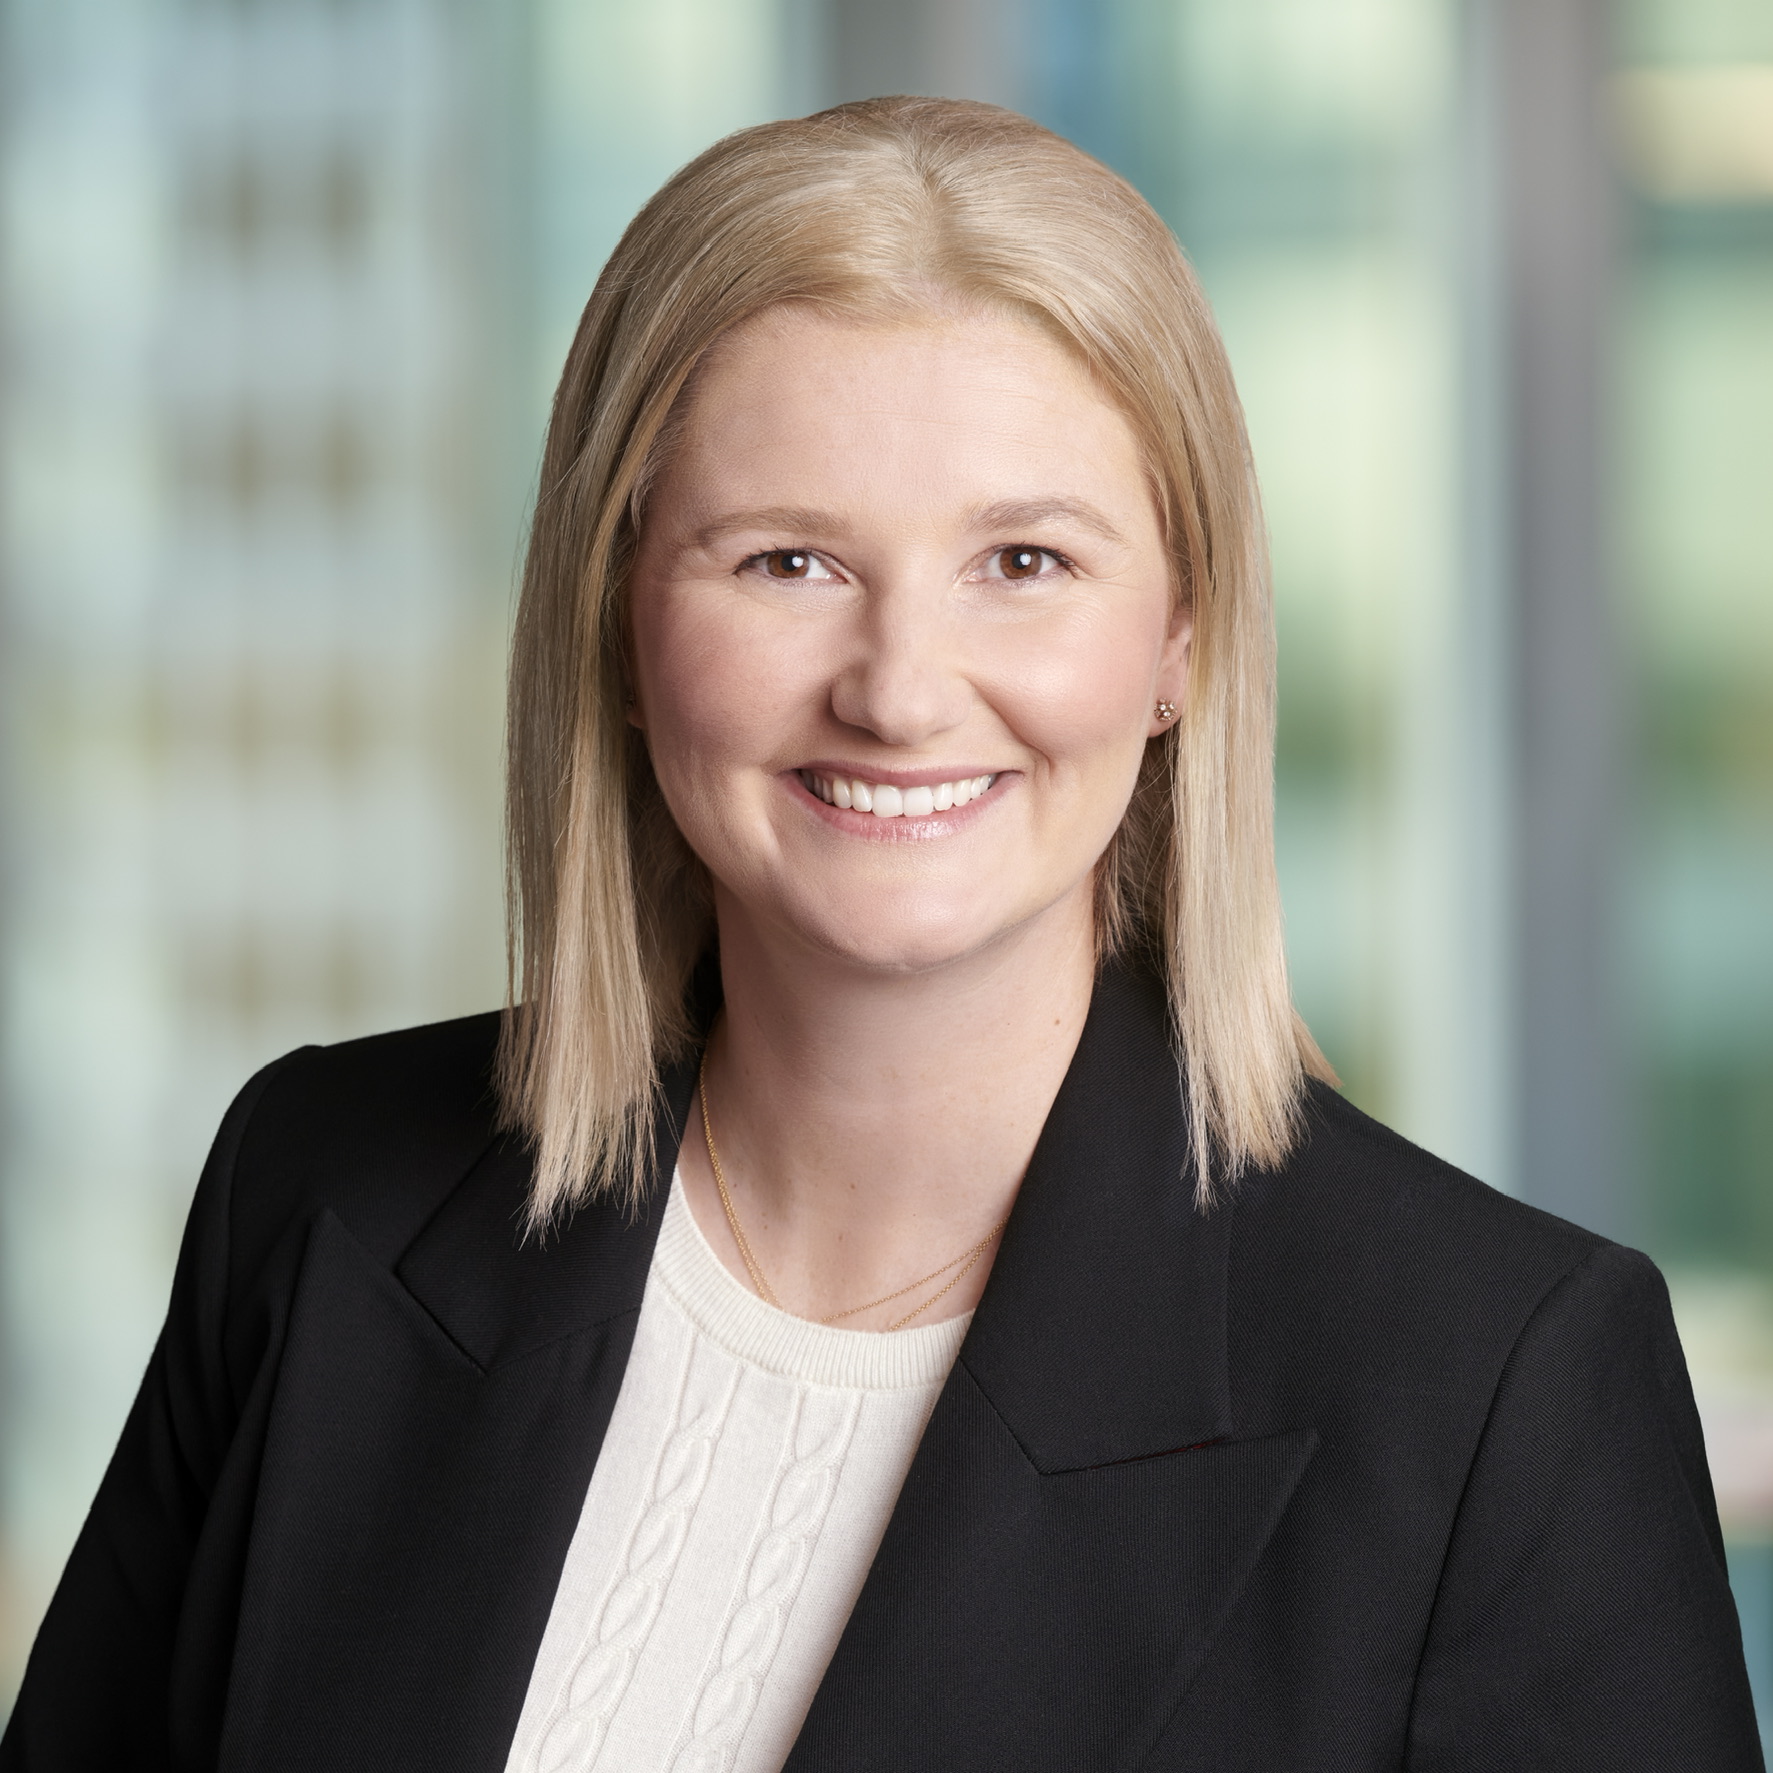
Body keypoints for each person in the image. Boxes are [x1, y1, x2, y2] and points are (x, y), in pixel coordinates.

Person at [1, 96, 1760, 1773]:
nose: (901, 689)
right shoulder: (321, 1196)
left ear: (1178, 643)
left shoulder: (1490, 1387)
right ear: (618, 621)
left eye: (1024, 561)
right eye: (785, 561)